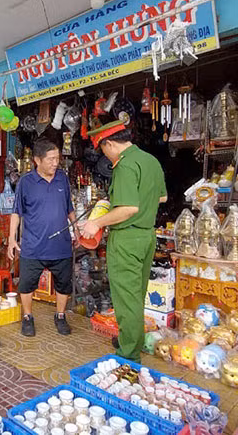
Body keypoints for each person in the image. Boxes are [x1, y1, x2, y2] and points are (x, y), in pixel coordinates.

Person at [80, 119, 167, 363]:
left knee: (126, 298)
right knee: (136, 295)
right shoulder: (150, 161)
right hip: (146, 236)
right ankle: (132, 339)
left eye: (103, 150)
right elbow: (162, 197)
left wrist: (97, 222)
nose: (105, 156)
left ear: (109, 144)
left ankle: (128, 356)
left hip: (127, 237)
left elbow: (128, 208)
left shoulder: (125, 165)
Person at [7, 139, 79, 337]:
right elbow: (16, 212)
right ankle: (28, 317)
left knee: (64, 284)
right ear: (37, 160)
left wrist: (76, 229)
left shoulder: (62, 178)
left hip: (61, 245)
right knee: (26, 284)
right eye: (51, 159)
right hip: (33, 245)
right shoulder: (26, 182)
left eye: (57, 158)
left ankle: (60, 315)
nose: (55, 163)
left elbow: (69, 207)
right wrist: (12, 239)